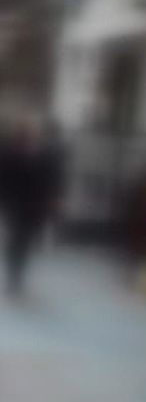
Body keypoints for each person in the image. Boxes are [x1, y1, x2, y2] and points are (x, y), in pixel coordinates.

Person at [0, 118, 65, 296]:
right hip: (14, 205)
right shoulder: (8, 152)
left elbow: (49, 179)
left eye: (32, 133)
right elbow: (3, 179)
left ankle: (18, 276)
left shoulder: (42, 154)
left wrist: (52, 198)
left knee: (25, 242)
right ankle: (13, 278)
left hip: (33, 206)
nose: (30, 136)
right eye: (26, 133)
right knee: (15, 242)